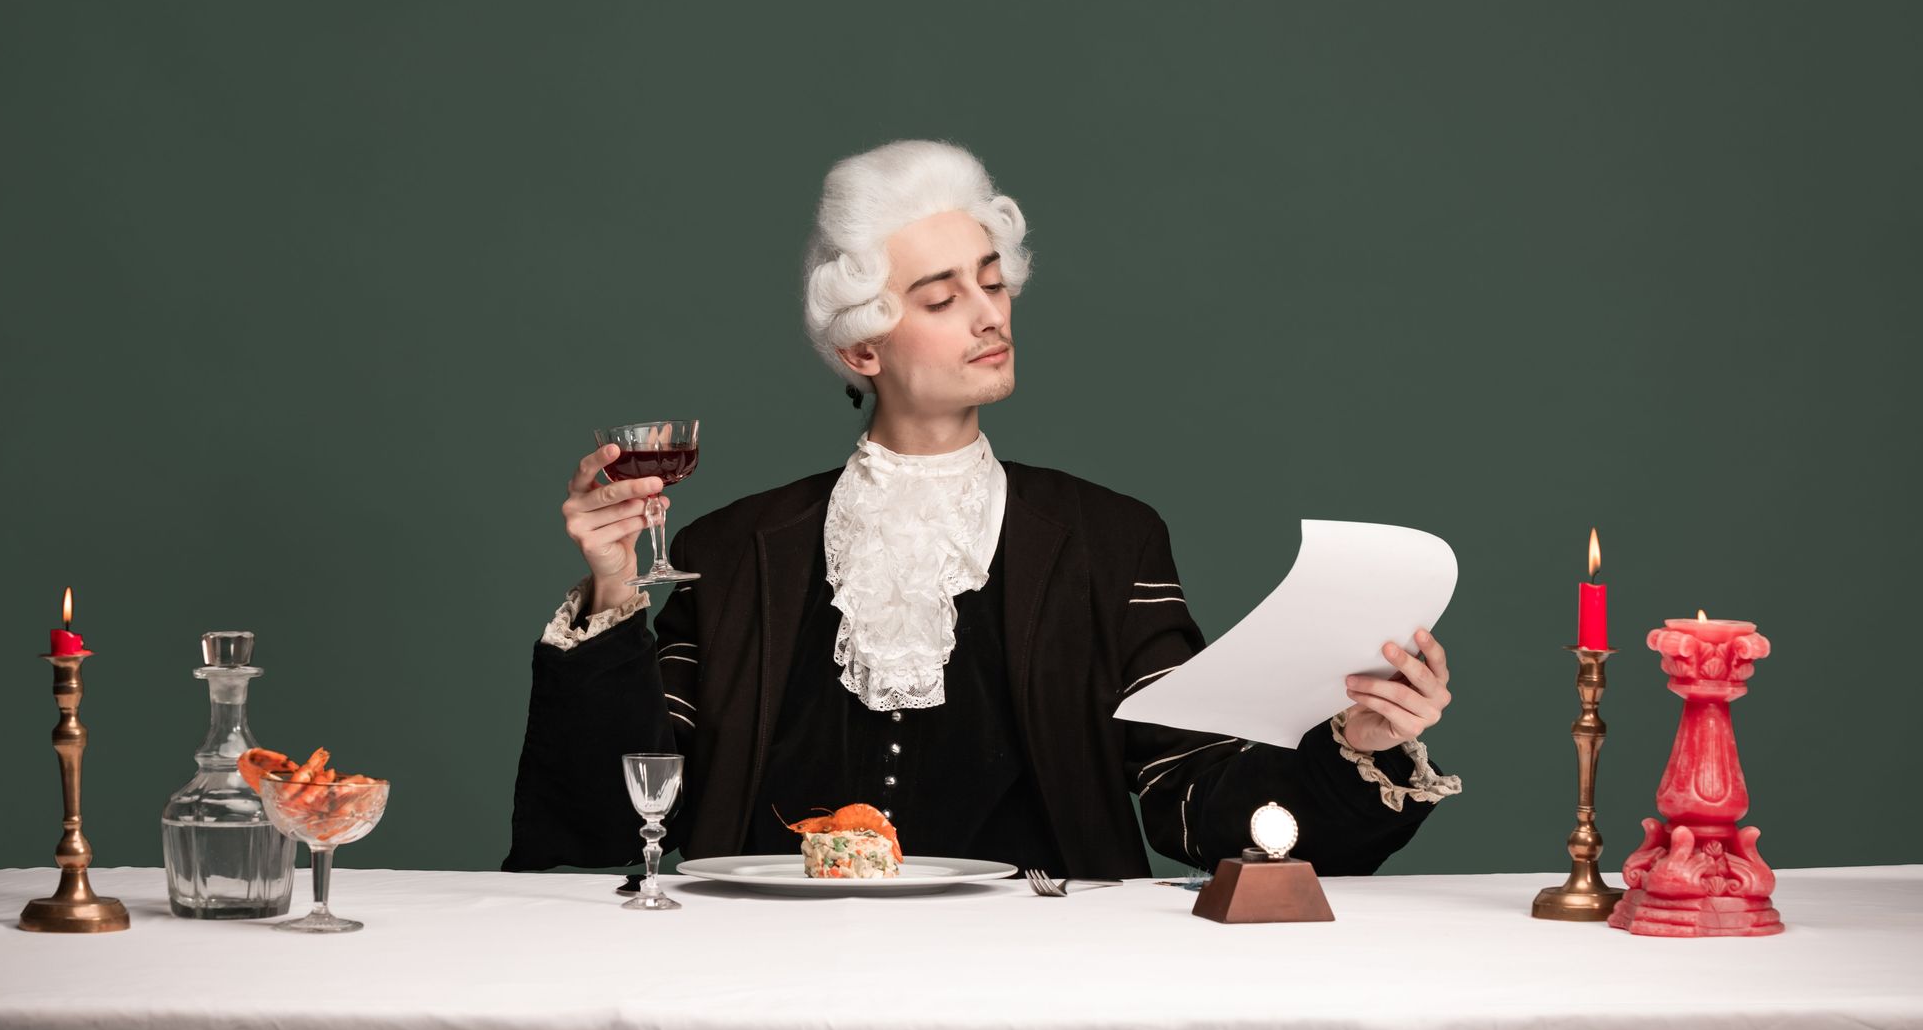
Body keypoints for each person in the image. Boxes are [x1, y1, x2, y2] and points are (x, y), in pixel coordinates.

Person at [504, 140, 1460, 877]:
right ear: (862, 349)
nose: (989, 313)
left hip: (1035, 984)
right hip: (768, 976)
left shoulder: (1108, 540)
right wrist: (612, 591)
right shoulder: (737, 548)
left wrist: (1355, 748)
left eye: (993, 282)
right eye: (941, 296)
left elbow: (1189, 796)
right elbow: (626, 815)